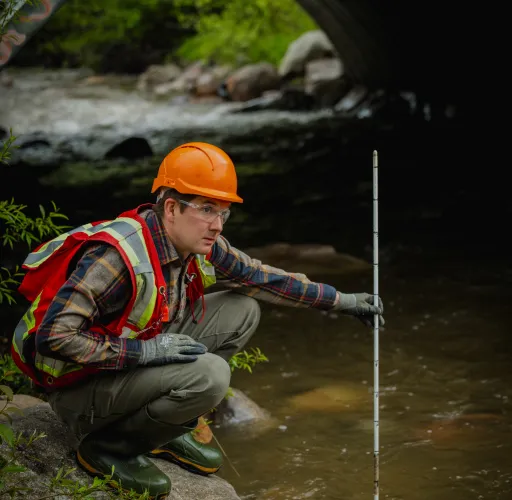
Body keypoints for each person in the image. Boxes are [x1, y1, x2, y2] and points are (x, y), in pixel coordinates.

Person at [11, 142, 384, 499]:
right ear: (171, 208)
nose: (218, 224)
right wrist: (147, 352)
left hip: (120, 367)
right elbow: (54, 336)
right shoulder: (115, 259)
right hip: (76, 389)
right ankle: (108, 446)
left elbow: (261, 278)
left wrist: (343, 301)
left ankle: (160, 428)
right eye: (207, 209)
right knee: (212, 375)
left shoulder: (191, 241)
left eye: (223, 212)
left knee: (243, 309)